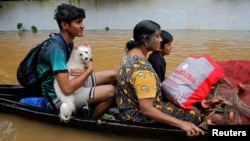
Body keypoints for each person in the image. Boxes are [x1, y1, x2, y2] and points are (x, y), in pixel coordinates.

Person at [116, 20, 204, 137]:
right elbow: (146, 110)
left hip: (126, 107)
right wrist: (181, 124)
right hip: (135, 115)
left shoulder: (129, 53)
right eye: (157, 36)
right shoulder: (143, 70)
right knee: (194, 113)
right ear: (146, 40)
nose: (161, 40)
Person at [37, 3, 116, 119]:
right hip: (59, 97)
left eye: (82, 22)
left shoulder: (69, 43)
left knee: (112, 75)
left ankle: (95, 106)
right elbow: (67, 89)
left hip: (70, 81)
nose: (83, 26)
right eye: (78, 22)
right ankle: (91, 120)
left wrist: (85, 71)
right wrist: (88, 72)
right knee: (111, 91)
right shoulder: (56, 50)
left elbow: (85, 60)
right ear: (65, 25)